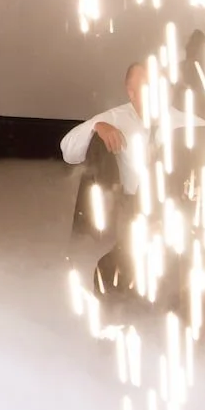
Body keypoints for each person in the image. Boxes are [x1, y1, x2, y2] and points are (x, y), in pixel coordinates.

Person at [63, 61, 149, 285]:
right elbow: (68, 150)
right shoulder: (115, 117)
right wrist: (97, 126)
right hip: (126, 207)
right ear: (132, 93)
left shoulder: (180, 117)